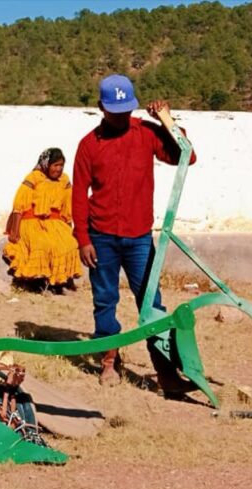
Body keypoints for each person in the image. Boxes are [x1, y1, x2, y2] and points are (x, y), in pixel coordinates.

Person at [71, 74, 197, 398]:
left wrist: (167, 121)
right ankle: (109, 361)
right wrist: (83, 239)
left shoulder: (146, 133)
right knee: (105, 300)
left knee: (151, 302)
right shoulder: (88, 145)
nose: (122, 116)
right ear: (101, 107)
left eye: (126, 110)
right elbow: (79, 195)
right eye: (115, 111)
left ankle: (166, 372)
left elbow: (187, 156)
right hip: (101, 237)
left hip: (140, 238)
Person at [3, 147, 81, 294]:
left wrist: (68, 229)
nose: (58, 169)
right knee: (42, 244)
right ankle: (36, 283)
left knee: (70, 243)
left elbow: (67, 206)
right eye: (55, 165)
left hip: (54, 223)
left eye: (61, 165)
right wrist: (14, 230)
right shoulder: (34, 177)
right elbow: (19, 204)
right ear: (46, 164)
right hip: (31, 221)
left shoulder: (64, 180)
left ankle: (58, 282)